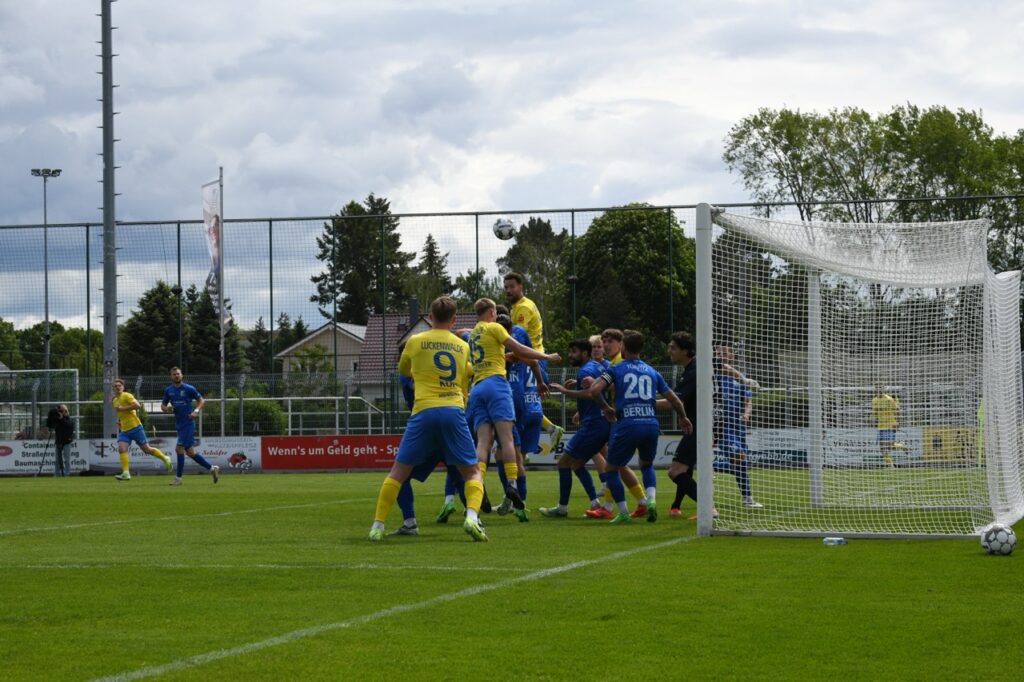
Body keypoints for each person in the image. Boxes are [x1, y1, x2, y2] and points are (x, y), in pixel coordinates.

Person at [369, 296, 488, 542]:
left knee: (398, 473)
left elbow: (403, 371)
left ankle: (378, 526)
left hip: (423, 411)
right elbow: (467, 375)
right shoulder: (462, 346)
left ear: (430, 317)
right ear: (454, 319)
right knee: (472, 472)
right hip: (453, 411)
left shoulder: (415, 341)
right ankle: (472, 518)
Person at [553, 330, 692, 523]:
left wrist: (606, 408)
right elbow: (674, 399)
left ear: (624, 347)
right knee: (647, 465)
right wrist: (683, 418)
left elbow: (594, 390)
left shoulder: (617, 369)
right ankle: (650, 501)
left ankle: (622, 511)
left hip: (627, 424)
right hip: (651, 424)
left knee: (611, 468)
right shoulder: (652, 371)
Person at [466, 297, 560, 522]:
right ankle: (512, 485)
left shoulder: (473, 334)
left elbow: (498, 354)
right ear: (491, 311)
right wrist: (546, 356)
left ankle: (478, 483)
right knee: (507, 439)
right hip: (496, 384)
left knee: (483, 443)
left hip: (477, 388)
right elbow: (519, 348)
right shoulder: (495, 327)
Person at [539, 338, 607, 517]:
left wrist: (565, 391)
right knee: (577, 464)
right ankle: (596, 503)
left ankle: (562, 508)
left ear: (585, 353)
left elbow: (592, 393)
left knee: (563, 462)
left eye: (574, 352)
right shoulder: (596, 367)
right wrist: (576, 385)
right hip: (600, 423)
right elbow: (600, 387)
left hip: (593, 425)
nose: (570, 355)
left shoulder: (586, 370)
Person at [504, 272, 565, 449]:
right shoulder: (519, 306)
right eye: (506, 287)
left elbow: (516, 339)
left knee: (519, 399)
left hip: (530, 359)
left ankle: (521, 444)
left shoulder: (523, 308)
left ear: (521, 287)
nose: (508, 290)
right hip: (531, 357)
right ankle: (548, 429)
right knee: (526, 400)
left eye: (512, 287)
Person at [657, 332, 708, 519]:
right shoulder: (695, 368)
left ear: (685, 351)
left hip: (700, 427)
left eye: (673, 347)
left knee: (675, 471)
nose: (669, 350)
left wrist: (642, 402)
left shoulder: (693, 372)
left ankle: (708, 507)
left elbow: (672, 401)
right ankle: (676, 506)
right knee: (685, 468)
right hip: (703, 424)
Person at [713, 345, 763, 508]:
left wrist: (746, 414)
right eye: (718, 352)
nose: (720, 355)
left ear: (731, 356)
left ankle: (746, 497)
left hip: (738, 427)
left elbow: (748, 402)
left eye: (724, 353)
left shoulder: (739, 379)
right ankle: (747, 498)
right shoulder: (714, 375)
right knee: (738, 456)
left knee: (740, 462)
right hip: (722, 426)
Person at [161, 367, 219, 485]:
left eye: (178, 374)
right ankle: (212, 469)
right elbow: (163, 405)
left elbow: (201, 400)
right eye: (174, 374)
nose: (176, 376)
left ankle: (178, 479)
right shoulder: (168, 390)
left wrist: (196, 411)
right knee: (190, 452)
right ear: (171, 377)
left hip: (188, 423)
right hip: (179, 424)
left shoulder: (189, 388)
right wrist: (166, 409)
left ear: (182, 375)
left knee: (179, 449)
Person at [111, 378, 171, 481]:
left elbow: (137, 405)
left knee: (147, 450)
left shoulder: (127, 395)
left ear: (123, 387)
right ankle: (126, 473)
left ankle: (165, 458)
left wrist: (123, 408)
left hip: (135, 427)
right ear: (113, 389)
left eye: (119, 385)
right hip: (124, 430)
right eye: (115, 386)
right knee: (121, 448)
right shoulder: (115, 400)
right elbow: (121, 413)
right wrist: (120, 421)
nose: (117, 387)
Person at [872, 383, 900, 468]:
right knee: (882, 447)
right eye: (877, 387)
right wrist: (872, 419)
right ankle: (890, 464)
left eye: (880, 387)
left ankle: (899, 445)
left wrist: (897, 422)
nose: (879, 389)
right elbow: (875, 413)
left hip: (890, 424)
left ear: (884, 389)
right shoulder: (874, 400)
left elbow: (897, 410)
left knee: (888, 445)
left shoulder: (889, 399)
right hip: (880, 426)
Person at [48, 404, 74, 477]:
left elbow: (68, 426)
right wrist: (51, 417)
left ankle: (67, 474)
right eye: (59, 411)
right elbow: (50, 425)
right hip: (58, 441)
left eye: (62, 411)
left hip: (67, 442)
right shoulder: (58, 420)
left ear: (65, 411)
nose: (60, 412)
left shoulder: (69, 419)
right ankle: (57, 473)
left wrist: (62, 418)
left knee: (67, 460)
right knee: (57, 460)